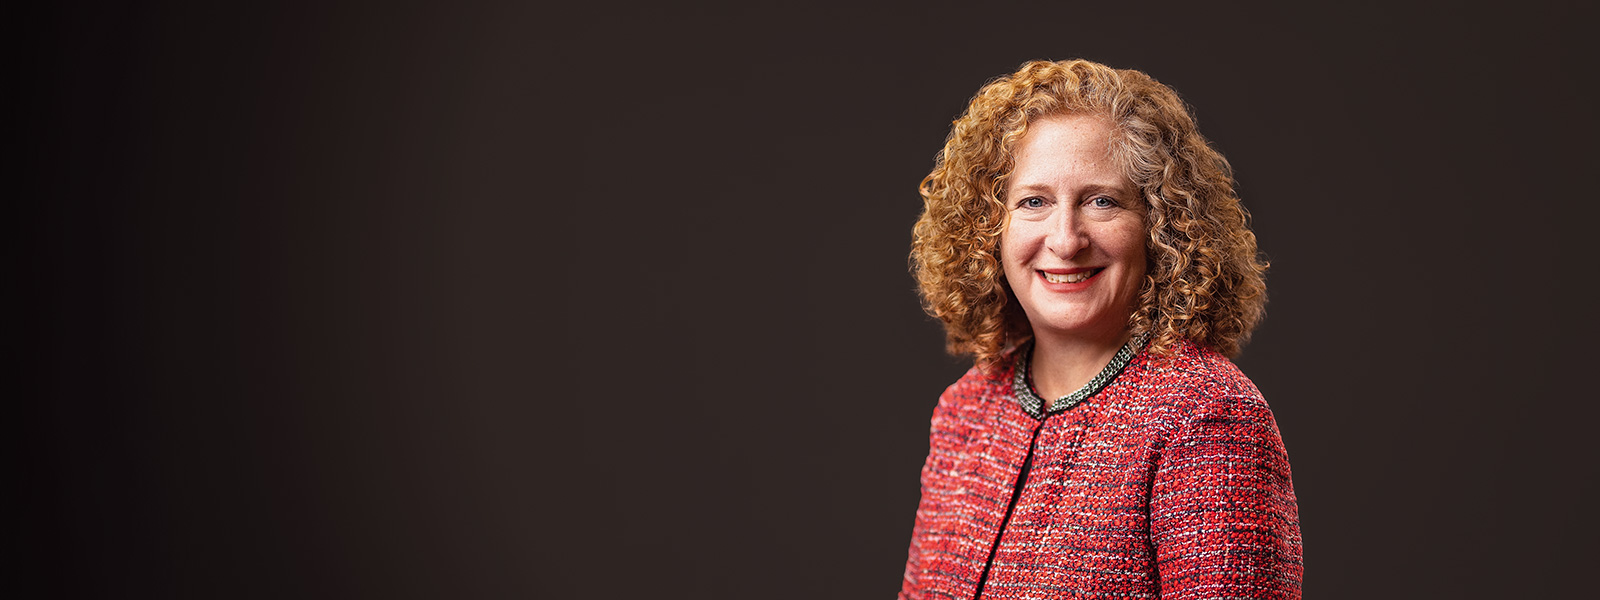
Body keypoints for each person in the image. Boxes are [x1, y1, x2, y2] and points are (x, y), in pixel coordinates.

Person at [900, 59, 1302, 599]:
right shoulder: (966, 411)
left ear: (1161, 227)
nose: (1066, 240)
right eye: (1033, 202)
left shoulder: (1208, 416)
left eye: (1101, 201)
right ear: (986, 229)